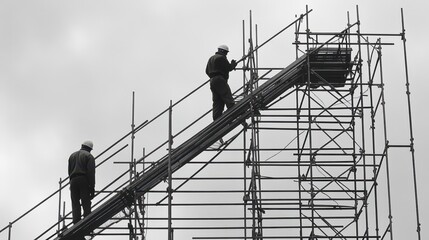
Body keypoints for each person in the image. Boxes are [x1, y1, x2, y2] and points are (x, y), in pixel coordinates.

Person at [206, 45, 238, 121]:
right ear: (223, 51)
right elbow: (228, 68)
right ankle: (232, 108)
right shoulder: (221, 57)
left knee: (217, 100)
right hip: (219, 79)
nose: (226, 54)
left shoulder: (211, 58)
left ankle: (216, 118)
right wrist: (233, 65)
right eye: (226, 53)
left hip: (212, 81)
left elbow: (206, 71)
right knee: (226, 93)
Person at [68, 140, 95, 226]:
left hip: (73, 180)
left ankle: (76, 222)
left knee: (75, 202)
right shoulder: (89, 156)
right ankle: (87, 219)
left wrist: (71, 183)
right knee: (85, 201)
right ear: (90, 149)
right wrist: (92, 188)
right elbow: (91, 173)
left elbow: (69, 171)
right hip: (83, 180)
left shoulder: (72, 156)